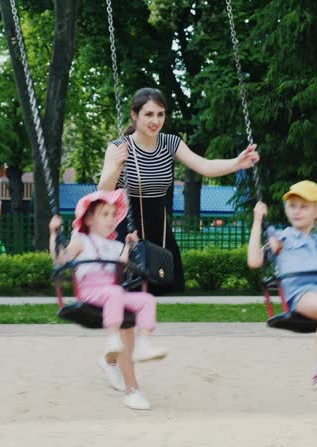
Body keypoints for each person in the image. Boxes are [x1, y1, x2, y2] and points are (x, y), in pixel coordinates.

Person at [97, 87, 260, 402]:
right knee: (132, 303)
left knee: (148, 295)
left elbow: (205, 165)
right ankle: (133, 387)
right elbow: (103, 190)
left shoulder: (170, 143)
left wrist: (237, 163)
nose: (155, 121)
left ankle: (109, 360)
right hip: (125, 224)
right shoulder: (118, 147)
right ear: (135, 116)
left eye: (160, 114)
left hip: (157, 226)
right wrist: (116, 166)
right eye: (148, 115)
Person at [49, 189, 167, 410]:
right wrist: (54, 234)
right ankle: (113, 339)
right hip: (90, 292)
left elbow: (122, 265)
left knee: (146, 300)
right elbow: (60, 258)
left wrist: (131, 246)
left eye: (114, 215)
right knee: (115, 292)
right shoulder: (81, 240)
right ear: (89, 218)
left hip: (112, 294)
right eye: (105, 214)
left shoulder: (114, 245)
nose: (112, 219)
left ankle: (144, 343)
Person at [247, 180, 317, 390]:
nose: (297, 211)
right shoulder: (282, 238)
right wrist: (257, 221)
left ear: (316, 212)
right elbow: (254, 261)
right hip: (302, 296)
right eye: (293, 206)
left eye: (304, 206)